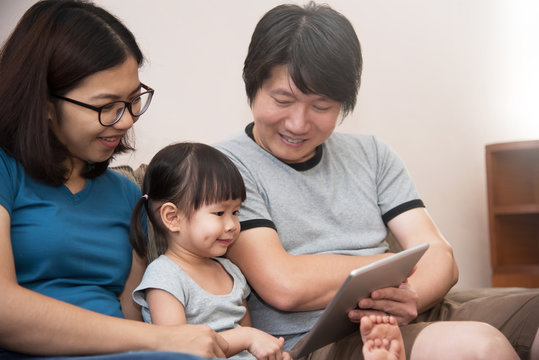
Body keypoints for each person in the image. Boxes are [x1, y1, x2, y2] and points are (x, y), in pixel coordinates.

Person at [214, 2, 539, 359]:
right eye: (283, 99)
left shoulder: (372, 154)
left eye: (321, 106)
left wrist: (410, 293)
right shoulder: (223, 167)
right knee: (479, 347)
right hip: (322, 339)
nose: (298, 123)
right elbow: (285, 285)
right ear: (253, 85)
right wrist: (395, 269)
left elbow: (442, 257)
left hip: (415, 312)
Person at [0, 1, 227, 358]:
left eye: (134, 99)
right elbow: (5, 311)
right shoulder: (6, 170)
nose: (126, 121)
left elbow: (131, 307)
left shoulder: (126, 193)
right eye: (107, 106)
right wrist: (163, 340)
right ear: (43, 102)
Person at [130, 142, 291, 360]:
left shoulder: (230, 270)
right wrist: (248, 337)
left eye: (235, 212)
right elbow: (177, 348)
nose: (232, 225)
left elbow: (249, 344)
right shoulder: (164, 277)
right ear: (172, 218)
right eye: (218, 213)